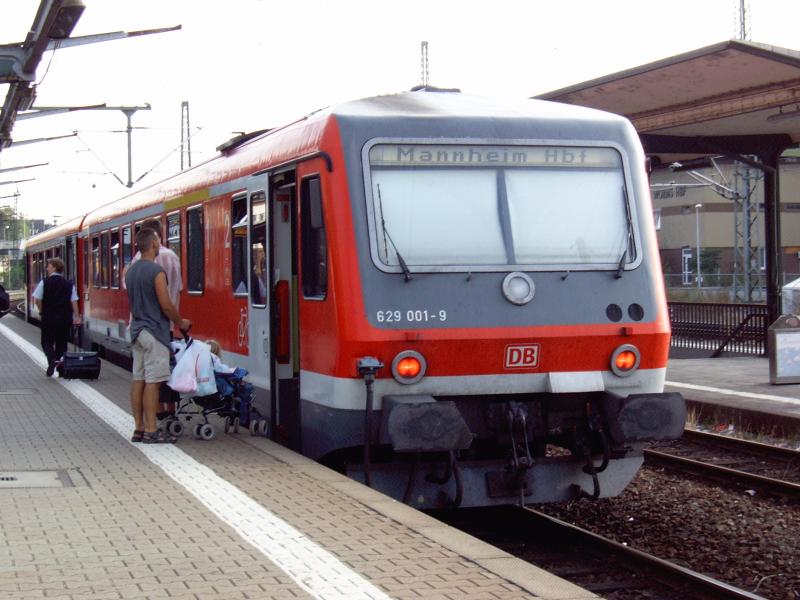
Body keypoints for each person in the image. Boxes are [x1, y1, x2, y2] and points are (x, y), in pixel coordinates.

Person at [125, 228, 191, 444]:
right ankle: (152, 430)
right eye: (158, 242)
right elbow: (166, 305)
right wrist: (181, 322)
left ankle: (139, 428)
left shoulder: (130, 271)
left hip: (136, 331)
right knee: (153, 382)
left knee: (139, 379)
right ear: (153, 244)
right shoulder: (156, 272)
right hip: (154, 332)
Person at [32, 258, 80, 377]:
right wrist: (77, 316)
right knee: (62, 344)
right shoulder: (69, 284)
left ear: (54, 267)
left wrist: (42, 311)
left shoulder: (44, 282)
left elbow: (37, 299)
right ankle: (61, 369)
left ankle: (52, 359)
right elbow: (74, 301)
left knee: (46, 342)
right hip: (64, 318)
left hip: (48, 318)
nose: (47, 268)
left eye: (48, 266)